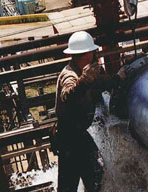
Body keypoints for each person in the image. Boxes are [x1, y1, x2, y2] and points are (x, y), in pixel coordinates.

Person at [54, 31, 126, 191]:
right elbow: (68, 95)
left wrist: (118, 78)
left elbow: (100, 82)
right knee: (72, 181)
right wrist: (84, 81)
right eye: (92, 51)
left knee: (94, 174)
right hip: (70, 138)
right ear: (86, 54)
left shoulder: (83, 72)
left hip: (76, 135)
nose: (95, 54)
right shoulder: (70, 75)